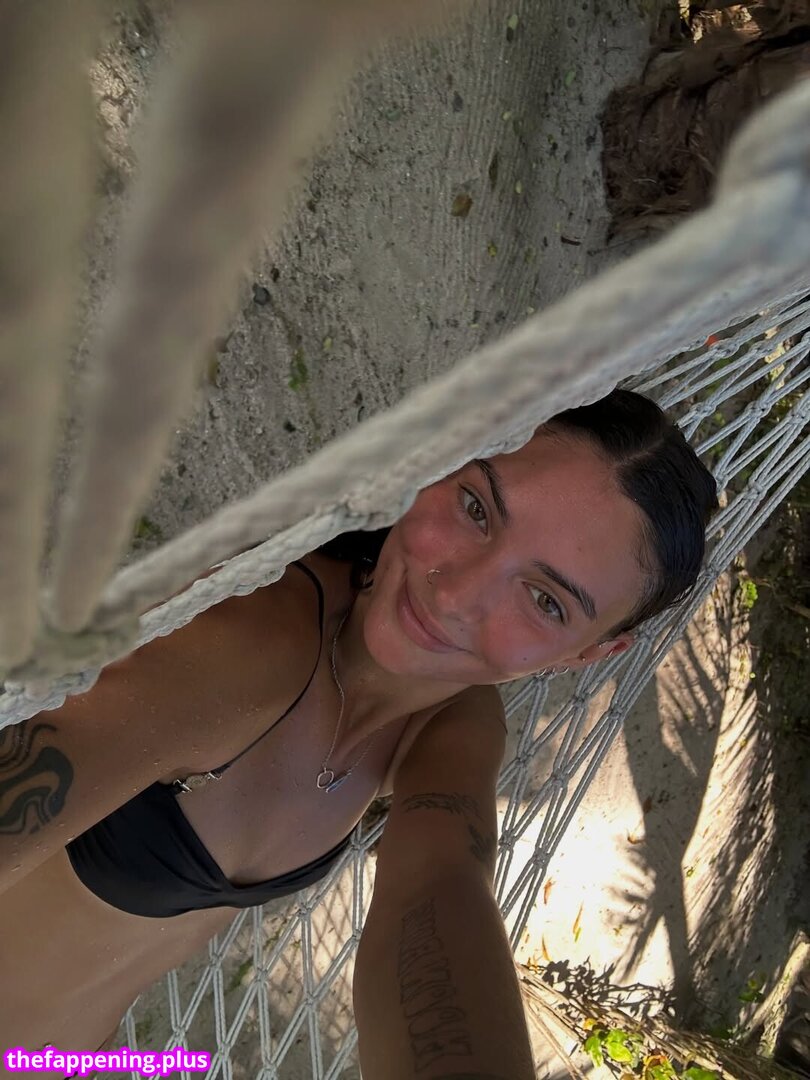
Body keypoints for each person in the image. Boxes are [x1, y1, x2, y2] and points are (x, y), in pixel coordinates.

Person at [0, 389, 717, 1080]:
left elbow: (440, 884)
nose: (455, 593)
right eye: (475, 508)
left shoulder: (451, 717)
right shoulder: (243, 651)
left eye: (545, 600)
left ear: (590, 653)